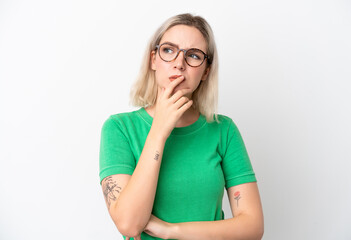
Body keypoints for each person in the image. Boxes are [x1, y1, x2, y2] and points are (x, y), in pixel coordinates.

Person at [99, 13, 264, 240]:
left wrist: (172, 231)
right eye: (169, 50)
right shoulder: (119, 128)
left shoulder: (223, 130)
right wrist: (159, 131)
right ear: (153, 60)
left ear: (205, 71)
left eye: (194, 56)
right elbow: (129, 224)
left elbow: (252, 227)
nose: (179, 63)